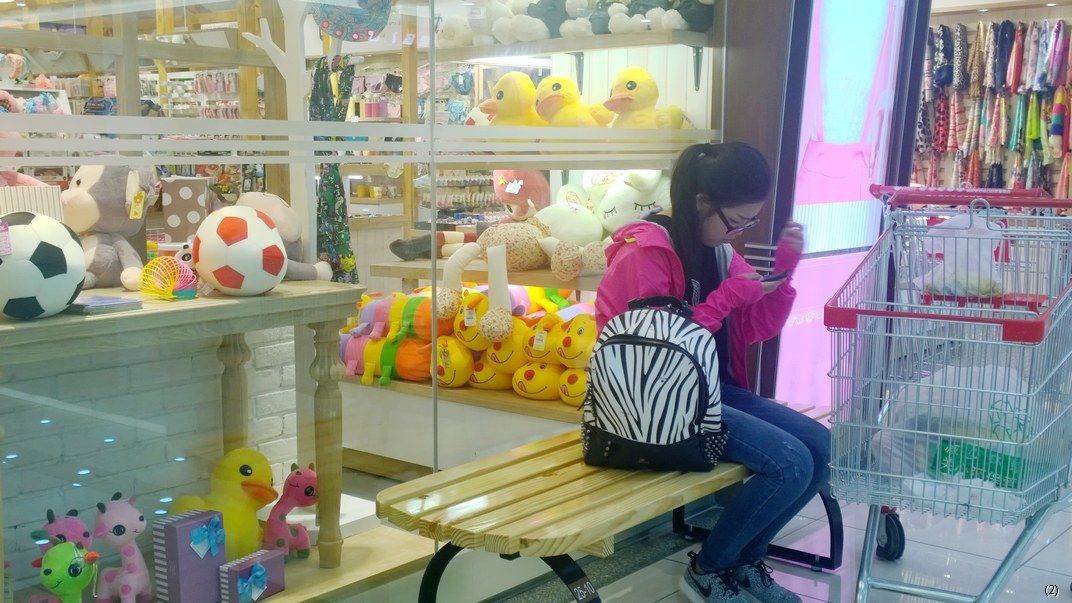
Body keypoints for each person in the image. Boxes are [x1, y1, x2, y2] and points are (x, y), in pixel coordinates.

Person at [596, 142, 829, 603]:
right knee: (790, 463)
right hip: (657, 403)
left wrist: (782, 278)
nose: (738, 234)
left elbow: (755, 327)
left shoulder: (718, 250)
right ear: (702, 202)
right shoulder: (645, 253)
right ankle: (709, 569)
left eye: (749, 223)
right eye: (735, 221)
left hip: (711, 390)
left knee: (822, 448)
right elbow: (651, 358)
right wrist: (723, 301)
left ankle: (744, 561)